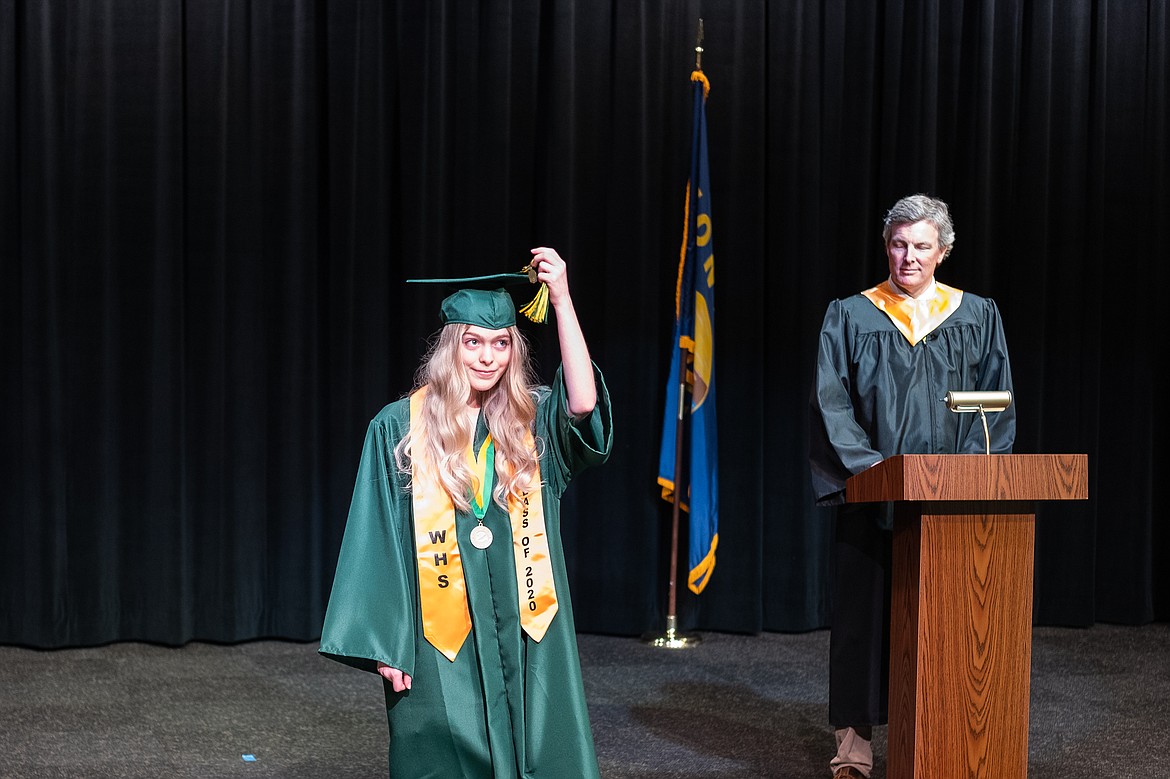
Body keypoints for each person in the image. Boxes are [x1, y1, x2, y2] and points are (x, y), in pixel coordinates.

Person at [319, 247, 612, 778]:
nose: (487, 357)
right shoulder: (398, 428)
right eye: (473, 343)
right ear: (450, 348)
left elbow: (585, 403)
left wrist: (563, 298)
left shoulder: (533, 422)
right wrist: (386, 643)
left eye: (501, 344)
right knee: (445, 751)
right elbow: (377, 538)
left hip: (527, 622)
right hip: (440, 630)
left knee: (540, 748)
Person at [808, 194, 1016, 779]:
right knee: (861, 619)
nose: (908, 257)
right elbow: (832, 401)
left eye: (922, 246)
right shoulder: (851, 315)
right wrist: (872, 471)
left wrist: (970, 476)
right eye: (899, 244)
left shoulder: (977, 315)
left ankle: (946, 735)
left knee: (948, 618)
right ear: (886, 246)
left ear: (943, 252)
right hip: (873, 494)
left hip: (950, 504)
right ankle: (854, 747)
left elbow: (995, 406)